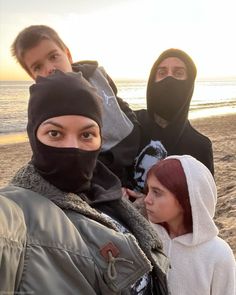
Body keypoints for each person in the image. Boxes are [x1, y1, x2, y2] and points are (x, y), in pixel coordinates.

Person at [0, 71, 169, 294]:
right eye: (55, 133)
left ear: (100, 138)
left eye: (87, 135)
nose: (73, 147)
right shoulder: (16, 211)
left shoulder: (109, 192)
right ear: (33, 136)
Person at [11, 24, 140, 186]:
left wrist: (133, 125)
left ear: (68, 54)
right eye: (38, 67)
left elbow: (120, 103)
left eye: (53, 56)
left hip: (131, 155)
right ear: (32, 75)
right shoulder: (45, 104)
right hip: (100, 170)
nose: (50, 68)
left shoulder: (98, 76)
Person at [144, 155, 235, 295]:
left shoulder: (218, 254)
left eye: (157, 192)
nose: (147, 199)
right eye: (148, 190)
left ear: (186, 199)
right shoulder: (144, 239)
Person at [130, 48, 214, 193]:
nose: (169, 79)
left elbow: (201, 205)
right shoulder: (130, 123)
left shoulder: (200, 146)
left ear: (189, 83)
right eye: (162, 73)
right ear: (152, 79)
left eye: (178, 73)